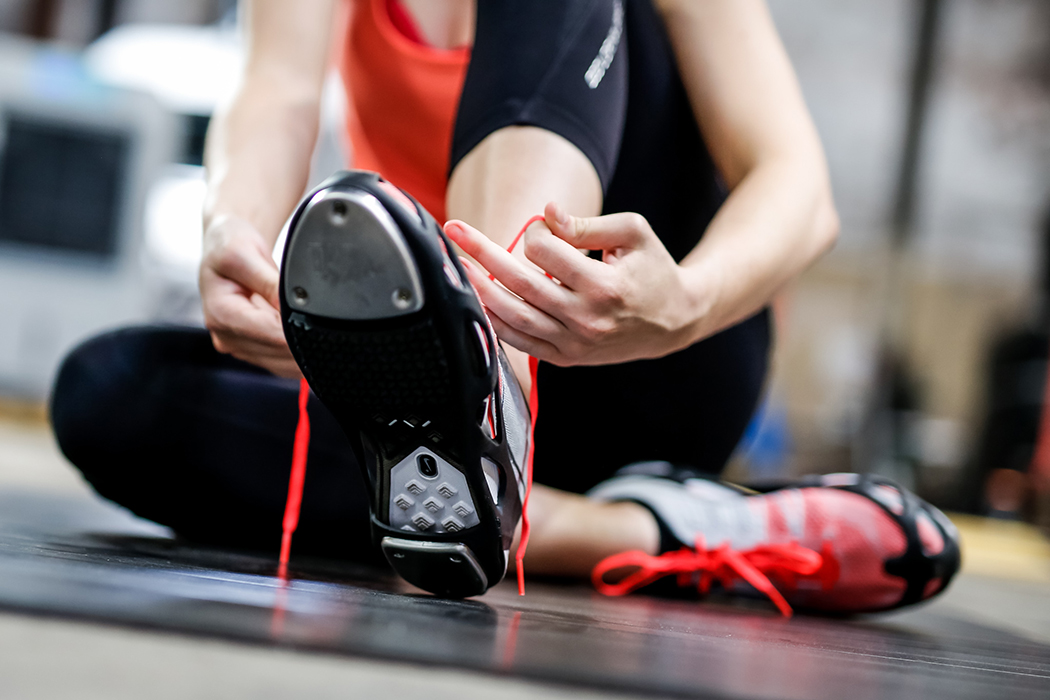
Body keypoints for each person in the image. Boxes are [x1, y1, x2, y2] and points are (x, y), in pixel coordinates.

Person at [51, 0, 959, 613]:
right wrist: (240, 241)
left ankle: (493, 410)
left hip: (639, 353)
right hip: (426, 427)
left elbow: (800, 186)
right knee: (110, 391)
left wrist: (681, 302)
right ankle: (639, 526)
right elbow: (276, 94)